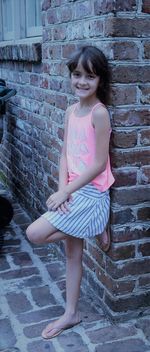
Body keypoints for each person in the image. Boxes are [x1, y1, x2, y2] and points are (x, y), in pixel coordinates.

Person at [26, 45, 115, 339]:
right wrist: (63, 189)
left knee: (34, 233)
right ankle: (71, 313)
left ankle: (97, 221)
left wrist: (68, 194)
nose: (82, 82)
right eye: (77, 74)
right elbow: (65, 153)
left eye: (90, 76)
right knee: (71, 256)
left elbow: (100, 163)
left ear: (100, 80)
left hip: (90, 194)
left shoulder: (99, 114)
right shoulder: (70, 111)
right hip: (73, 191)